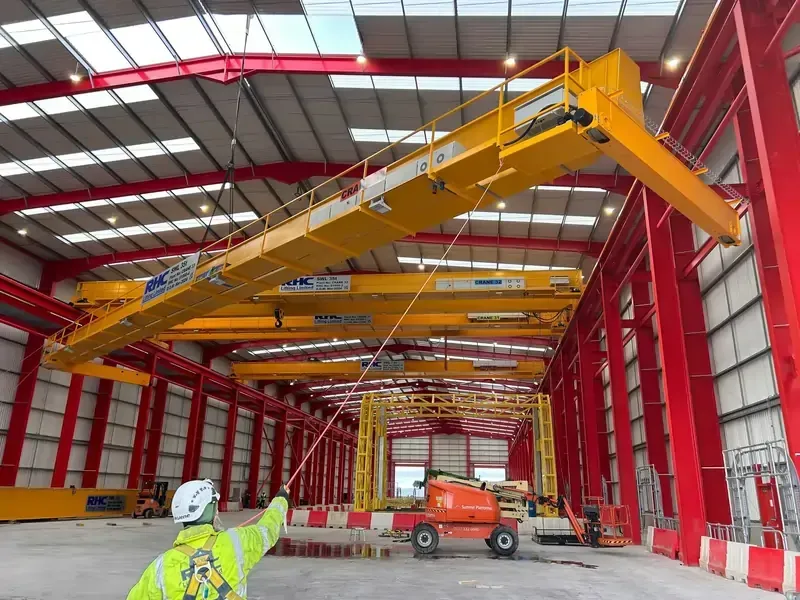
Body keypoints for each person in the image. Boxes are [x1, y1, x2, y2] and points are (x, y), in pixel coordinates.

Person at [126, 478, 289, 600]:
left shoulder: (160, 568)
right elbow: (268, 529)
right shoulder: (236, 542)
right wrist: (281, 498)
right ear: (211, 510)